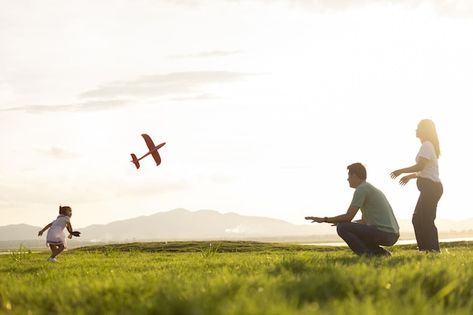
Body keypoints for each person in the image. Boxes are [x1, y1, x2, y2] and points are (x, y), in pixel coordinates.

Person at [305, 163, 400, 256]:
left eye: (349, 176)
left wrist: (324, 220)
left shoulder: (362, 189)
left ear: (354, 175)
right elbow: (364, 221)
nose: (347, 179)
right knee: (347, 226)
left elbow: (348, 217)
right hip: (392, 235)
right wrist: (344, 222)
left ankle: (366, 256)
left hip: (386, 234)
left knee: (343, 227)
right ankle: (381, 254)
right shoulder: (368, 188)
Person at [390, 119, 443, 252]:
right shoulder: (428, 145)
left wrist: (401, 170)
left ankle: (432, 250)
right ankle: (427, 250)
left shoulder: (426, 145)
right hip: (431, 187)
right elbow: (425, 171)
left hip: (431, 188)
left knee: (424, 219)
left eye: (419, 127)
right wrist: (410, 176)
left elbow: (420, 166)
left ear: (425, 130)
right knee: (420, 219)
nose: (416, 130)